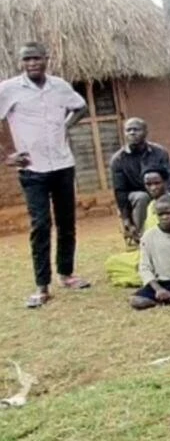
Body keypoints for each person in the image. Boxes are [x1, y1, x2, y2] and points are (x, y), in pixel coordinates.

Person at [1, 42, 91, 307]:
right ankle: (42, 286)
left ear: (46, 59)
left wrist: (65, 126)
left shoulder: (59, 86)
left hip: (63, 164)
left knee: (67, 222)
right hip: (33, 169)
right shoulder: (9, 89)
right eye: (27, 59)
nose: (32, 64)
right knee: (40, 225)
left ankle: (67, 274)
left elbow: (81, 106)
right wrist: (6, 156)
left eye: (37, 58)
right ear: (21, 62)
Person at [104, 167, 170, 288]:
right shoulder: (151, 205)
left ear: (166, 182)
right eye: (148, 184)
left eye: (157, 183)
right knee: (112, 262)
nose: (153, 188)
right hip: (152, 253)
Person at [109, 118, 170, 243]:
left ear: (146, 132)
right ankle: (144, 239)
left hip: (160, 191)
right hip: (135, 196)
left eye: (136, 129)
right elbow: (120, 191)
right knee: (142, 197)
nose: (132, 133)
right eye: (128, 130)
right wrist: (126, 219)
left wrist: (165, 194)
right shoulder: (118, 159)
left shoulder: (159, 152)